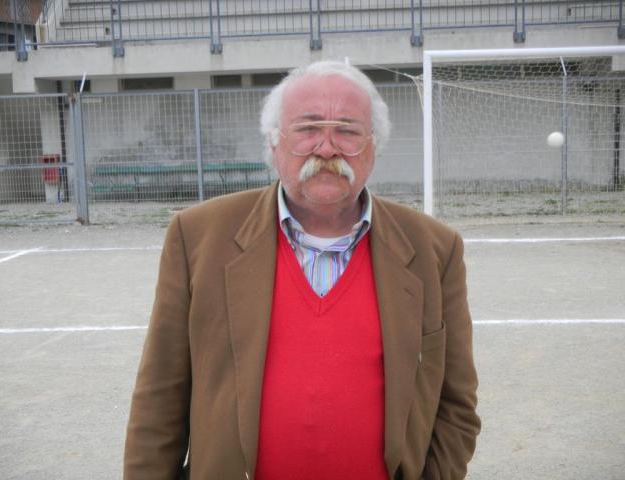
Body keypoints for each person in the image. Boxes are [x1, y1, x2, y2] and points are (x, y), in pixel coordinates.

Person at [124, 60, 480, 480]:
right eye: (308, 128)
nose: (327, 148)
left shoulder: (434, 249)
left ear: (373, 146)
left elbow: (456, 407)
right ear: (274, 143)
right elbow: (159, 400)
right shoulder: (199, 237)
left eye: (347, 130)